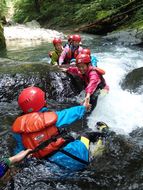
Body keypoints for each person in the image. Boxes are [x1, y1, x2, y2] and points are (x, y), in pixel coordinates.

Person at [11, 86, 108, 171]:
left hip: (56, 169)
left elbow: (19, 151)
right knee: (87, 135)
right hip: (77, 158)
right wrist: (83, 108)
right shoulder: (48, 118)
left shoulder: (18, 131)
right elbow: (68, 114)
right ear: (40, 102)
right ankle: (95, 152)